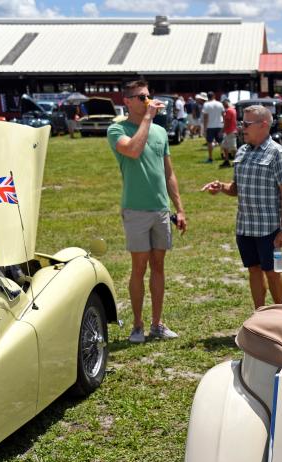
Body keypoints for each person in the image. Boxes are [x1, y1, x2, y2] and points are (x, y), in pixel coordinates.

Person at [107, 79, 187, 344]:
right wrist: (148, 118)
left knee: (159, 266)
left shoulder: (160, 132)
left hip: (160, 210)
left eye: (148, 96)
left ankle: (157, 324)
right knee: (139, 267)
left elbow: (169, 172)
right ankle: (138, 325)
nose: (147, 100)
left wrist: (179, 209)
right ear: (127, 101)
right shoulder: (117, 129)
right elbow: (132, 150)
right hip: (136, 210)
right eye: (141, 97)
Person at [200, 105, 282, 308]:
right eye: (242, 123)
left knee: (273, 272)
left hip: (269, 228)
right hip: (245, 227)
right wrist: (221, 187)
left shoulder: (277, 153)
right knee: (253, 270)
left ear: (263, 125)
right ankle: (259, 313)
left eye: (247, 124)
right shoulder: (242, 151)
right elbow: (236, 188)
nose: (242, 127)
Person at [202, 91, 225, 163]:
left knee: (209, 142)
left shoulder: (206, 104)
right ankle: (224, 155)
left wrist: (204, 129)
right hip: (219, 125)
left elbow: (205, 117)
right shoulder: (219, 104)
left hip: (210, 126)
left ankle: (210, 158)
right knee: (221, 142)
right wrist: (224, 123)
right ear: (214, 96)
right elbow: (223, 114)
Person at [220, 98, 238, 167]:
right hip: (230, 131)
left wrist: (222, 130)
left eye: (223, 104)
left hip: (230, 131)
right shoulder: (233, 109)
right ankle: (227, 161)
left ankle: (236, 162)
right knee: (224, 146)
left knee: (233, 148)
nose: (223, 106)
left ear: (226, 103)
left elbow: (227, 122)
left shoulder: (228, 111)